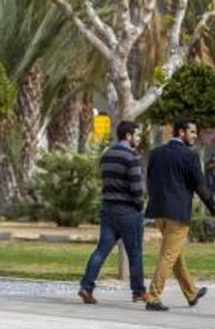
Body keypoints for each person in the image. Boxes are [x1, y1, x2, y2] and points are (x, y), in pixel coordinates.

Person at [143, 118, 215, 311]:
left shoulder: (156, 153)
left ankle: (191, 293)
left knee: (175, 255)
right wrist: (213, 207)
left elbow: (150, 180)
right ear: (181, 132)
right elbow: (200, 186)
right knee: (169, 255)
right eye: (192, 132)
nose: (195, 136)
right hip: (177, 214)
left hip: (159, 213)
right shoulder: (190, 156)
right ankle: (153, 296)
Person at [78, 121, 146, 304]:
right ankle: (138, 291)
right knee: (135, 253)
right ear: (129, 136)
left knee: (101, 250)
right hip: (128, 211)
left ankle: (86, 287)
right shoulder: (131, 157)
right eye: (137, 135)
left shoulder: (107, 155)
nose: (138, 139)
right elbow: (137, 189)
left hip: (107, 209)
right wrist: (140, 206)